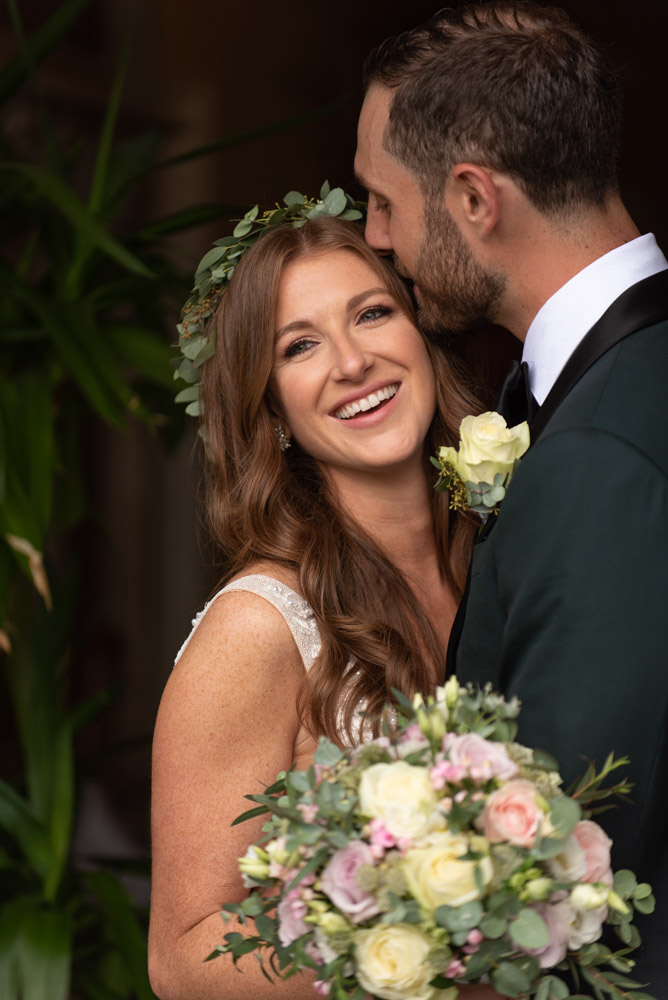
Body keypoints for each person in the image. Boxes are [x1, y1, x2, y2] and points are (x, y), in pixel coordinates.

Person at [355, 1, 668, 991]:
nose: (375, 240)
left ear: (473, 198)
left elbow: (569, 869)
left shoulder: (598, 457)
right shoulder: (603, 387)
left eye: (382, 202)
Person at [148, 216, 482, 999]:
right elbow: (182, 957)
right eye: (299, 346)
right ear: (270, 410)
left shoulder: (508, 558)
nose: (354, 360)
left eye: (371, 312)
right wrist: (424, 951)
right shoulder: (260, 626)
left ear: (421, 329)